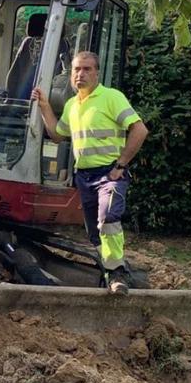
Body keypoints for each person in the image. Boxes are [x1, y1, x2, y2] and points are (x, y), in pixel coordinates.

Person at [32, 50, 149, 295]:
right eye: (76, 69)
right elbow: (57, 133)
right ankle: (110, 273)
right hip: (83, 175)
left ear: (97, 72)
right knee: (93, 232)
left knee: (108, 219)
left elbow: (139, 130)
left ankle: (116, 272)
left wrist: (120, 166)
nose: (80, 74)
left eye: (86, 69)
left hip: (109, 173)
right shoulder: (72, 105)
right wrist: (44, 107)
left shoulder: (111, 97)